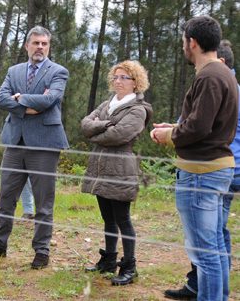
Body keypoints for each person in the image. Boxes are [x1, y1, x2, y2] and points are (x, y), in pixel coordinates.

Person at [151, 16, 236, 301]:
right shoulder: (222, 74)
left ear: (193, 42)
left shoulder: (211, 76)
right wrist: (174, 128)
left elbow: (199, 127)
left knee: (205, 253)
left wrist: (170, 136)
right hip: (211, 170)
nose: (183, 46)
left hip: (201, 172)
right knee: (212, 247)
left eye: (183, 40)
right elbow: (203, 122)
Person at [0, 26, 69, 270]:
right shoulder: (13, 71)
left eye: (44, 44)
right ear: (27, 46)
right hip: (15, 142)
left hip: (45, 144)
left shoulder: (58, 71)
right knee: (6, 197)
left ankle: (41, 250)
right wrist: (29, 105)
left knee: (43, 202)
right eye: (35, 43)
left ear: (49, 47)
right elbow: (1, 99)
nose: (39, 47)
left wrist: (19, 98)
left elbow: (50, 100)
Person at [80, 60, 152, 286]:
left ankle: (130, 266)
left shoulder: (138, 109)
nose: (118, 81)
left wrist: (96, 132)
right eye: (116, 77)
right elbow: (85, 124)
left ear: (136, 82)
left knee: (123, 219)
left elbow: (119, 135)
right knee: (107, 218)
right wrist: (103, 126)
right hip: (100, 168)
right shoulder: (107, 104)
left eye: (124, 78)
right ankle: (109, 260)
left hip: (121, 170)